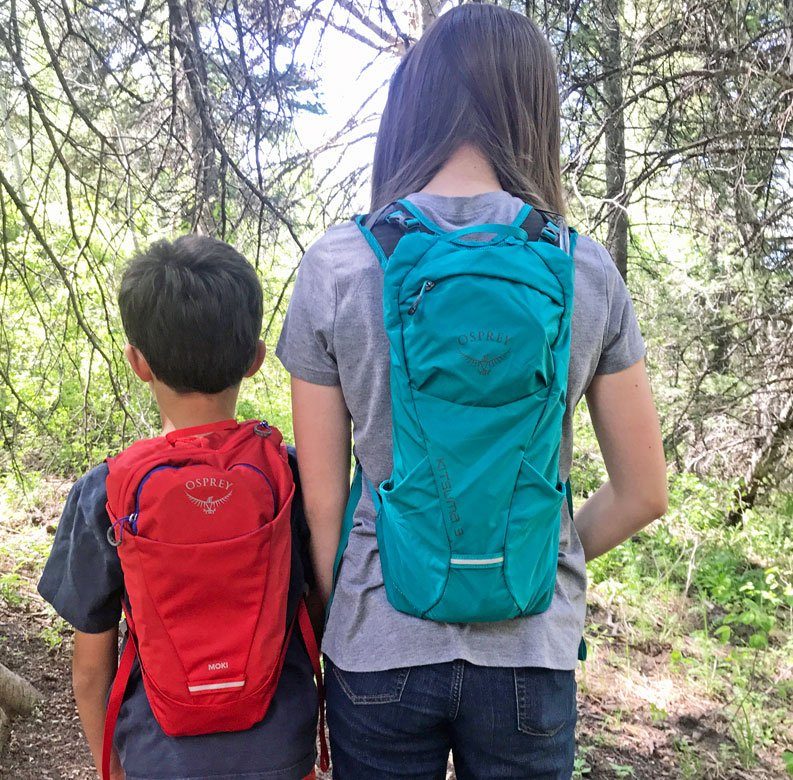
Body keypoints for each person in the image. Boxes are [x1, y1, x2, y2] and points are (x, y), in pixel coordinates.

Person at [276, 5, 668, 779]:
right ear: (532, 110)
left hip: (379, 643)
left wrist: (340, 617)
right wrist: (532, 555)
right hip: (529, 650)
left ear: (414, 103)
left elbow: (323, 506)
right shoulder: (581, 270)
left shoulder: (338, 266)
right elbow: (643, 493)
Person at [38, 236, 319, 780]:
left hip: (158, 755)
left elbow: (92, 666)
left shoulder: (106, 491)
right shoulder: (291, 477)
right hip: (280, 751)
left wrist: (111, 768)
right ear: (256, 359)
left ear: (138, 363)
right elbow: (322, 610)